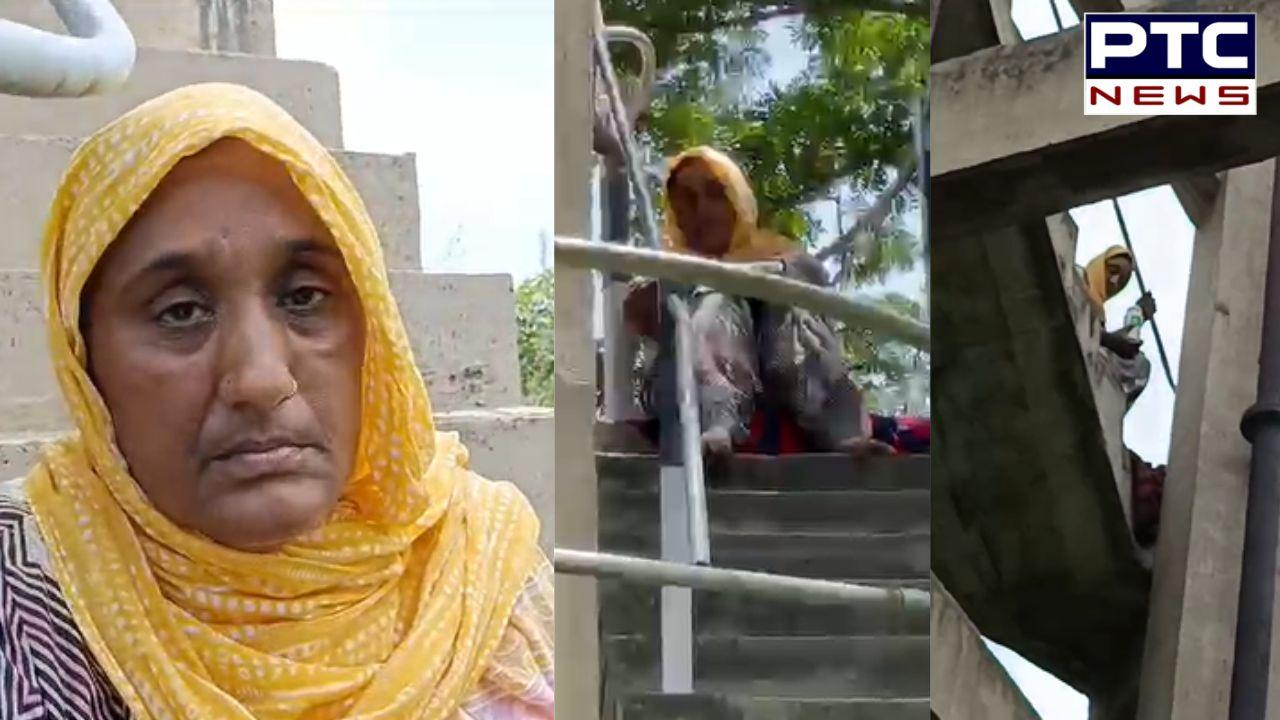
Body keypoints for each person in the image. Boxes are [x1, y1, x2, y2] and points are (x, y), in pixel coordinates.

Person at [0, 84, 552, 719]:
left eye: (304, 298)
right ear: (85, 362)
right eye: (180, 312)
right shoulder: (31, 592)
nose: (261, 379)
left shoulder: (480, 564)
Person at [623, 146, 885, 457]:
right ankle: (718, 425)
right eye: (687, 199)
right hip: (689, 392)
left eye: (715, 194)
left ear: (737, 200)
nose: (702, 209)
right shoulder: (666, 264)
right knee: (712, 300)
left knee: (792, 299)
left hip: (783, 383)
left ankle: (842, 432)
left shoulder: (777, 254)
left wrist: (755, 275)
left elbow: (813, 278)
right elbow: (635, 314)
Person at [1082, 245, 1157, 408]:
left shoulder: (1099, 313)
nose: (1114, 281)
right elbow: (1079, 330)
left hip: (1090, 366)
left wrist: (1137, 317)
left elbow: (1101, 343)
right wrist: (1109, 341)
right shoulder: (1078, 280)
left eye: (1121, 281)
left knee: (1140, 364)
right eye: (1113, 270)